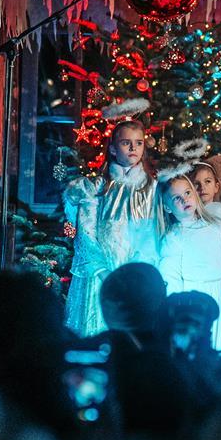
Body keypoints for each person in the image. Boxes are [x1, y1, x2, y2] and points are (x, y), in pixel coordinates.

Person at [64, 120, 160, 337]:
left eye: (138, 143)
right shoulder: (97, 187)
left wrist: (137, 268)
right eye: (127, 143)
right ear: (114, 148)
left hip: (135, 270)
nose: (133, 148)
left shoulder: (152, 189)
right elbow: (86, 232)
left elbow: (153, 231)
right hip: (101, 272)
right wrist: (102, 271)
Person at [157, 173, 221, 351]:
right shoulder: (173, 237)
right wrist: (178, 311)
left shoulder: (218, 228)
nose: (184, 200)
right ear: (167, 207)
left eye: (187, 193)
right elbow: (171, 276)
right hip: (193, 301)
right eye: (177, 198)